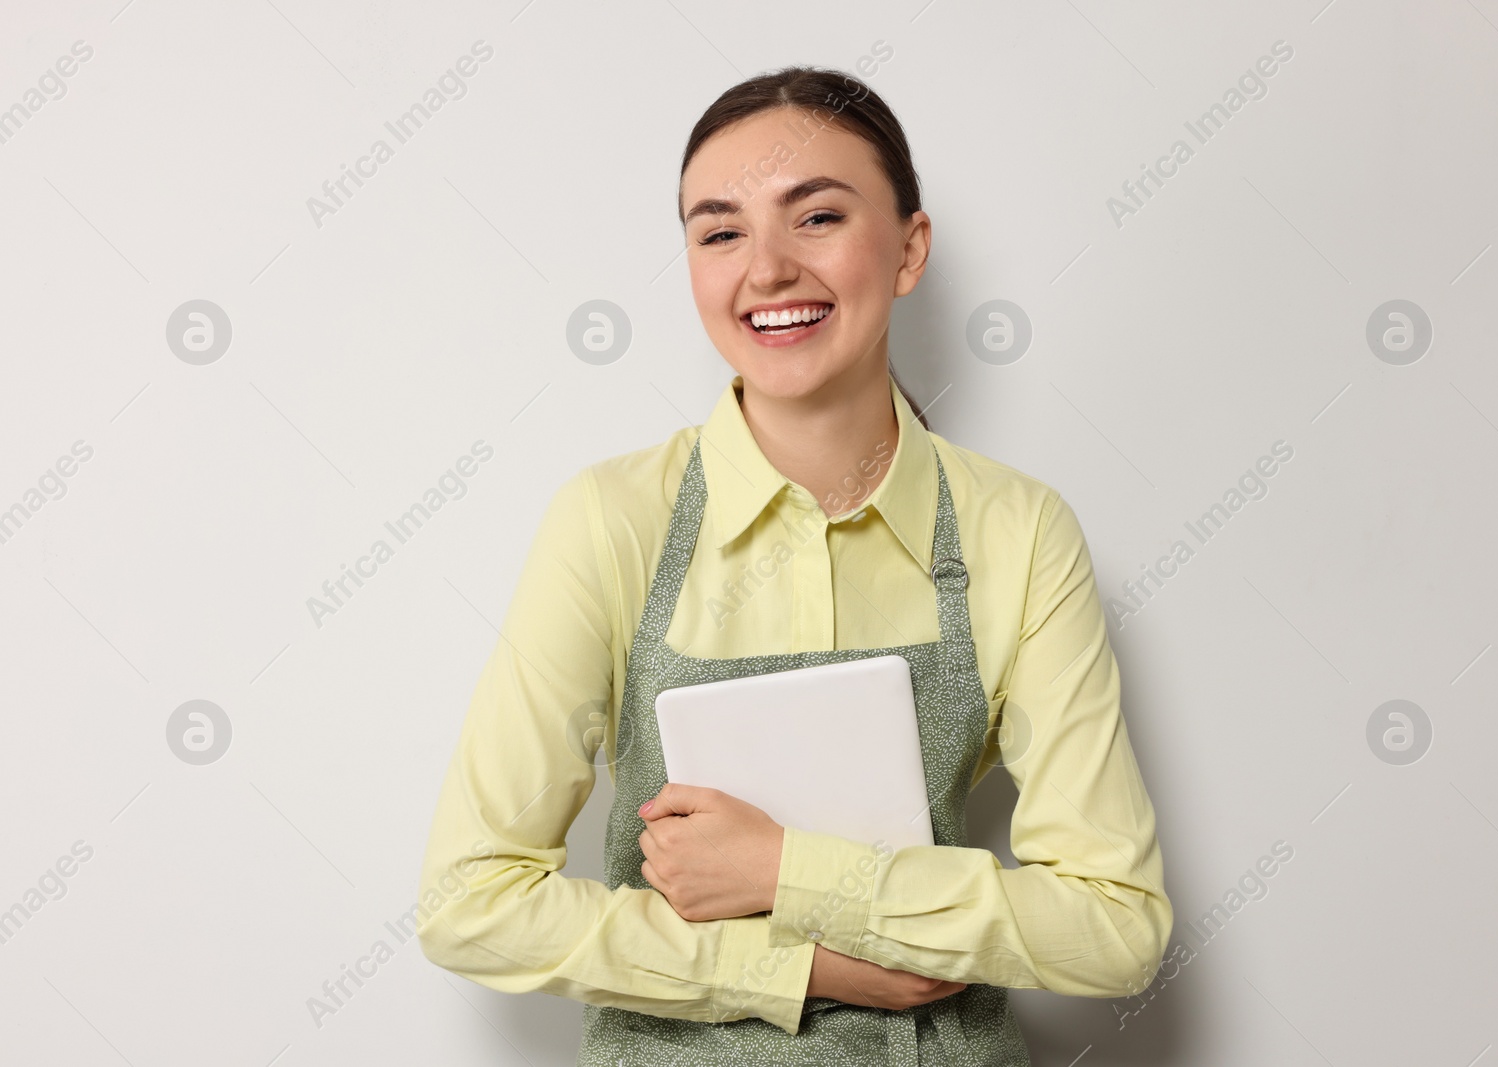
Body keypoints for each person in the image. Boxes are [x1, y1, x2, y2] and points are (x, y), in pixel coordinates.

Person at [416, 65, 1172, 1066]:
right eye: (721, 231)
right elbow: (469, 900)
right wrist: (814, 965)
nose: (765, 268)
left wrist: (785, 868)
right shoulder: (614, 521)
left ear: (908, 250)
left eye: (814, 217)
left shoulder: (1017, 531)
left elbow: (1117, 927)